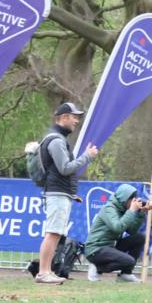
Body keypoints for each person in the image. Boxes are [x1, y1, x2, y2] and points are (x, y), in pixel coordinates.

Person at [35, 102, 98, 285]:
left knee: (55, 233)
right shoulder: (56, 141)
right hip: (57, 193)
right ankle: (43, 273)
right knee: (52, 232)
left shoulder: (58, 139)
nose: (77, 121)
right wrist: (87, 156)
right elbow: (65, 168)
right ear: (63, 118)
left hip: (60, 192)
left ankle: (47, 271)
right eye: (74, 117)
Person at [84, 184, 152, 283]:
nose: (134, 202)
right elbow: (117, 228)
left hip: (110, 246)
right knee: (129, 261)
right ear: (124, 199)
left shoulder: (123, 210)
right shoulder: (109, 209)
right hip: (96, 249)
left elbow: (131, 231)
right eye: (132, 199)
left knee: (139, 238)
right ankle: (97, 268)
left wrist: (141, 213)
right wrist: (131, 211)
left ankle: (125, 274)